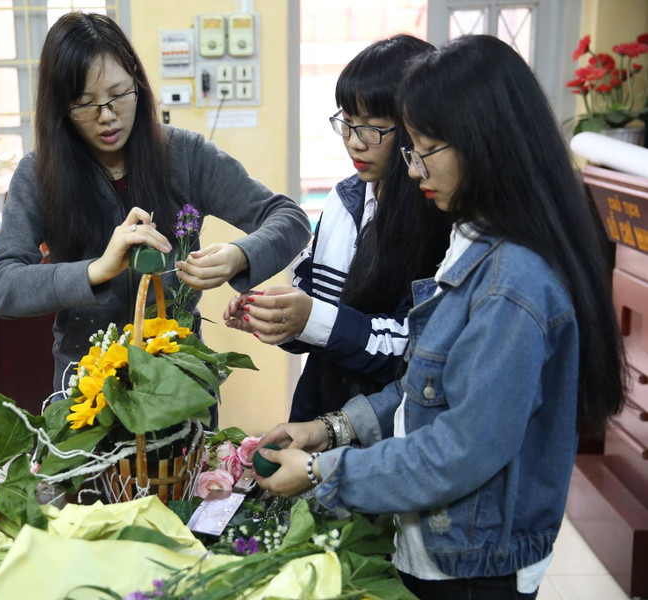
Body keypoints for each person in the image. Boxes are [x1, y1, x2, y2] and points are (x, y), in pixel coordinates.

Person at [253, 35, 627, 600]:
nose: (413, 168)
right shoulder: (471, 241)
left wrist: (322, 474)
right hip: (437, 543)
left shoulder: (512, 283)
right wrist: (330, 430)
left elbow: (460, 449)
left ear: (484, 147)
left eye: (424, 149)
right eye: (411, 149)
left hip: (473, 565)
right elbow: (425, 388)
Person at [0, 12, 311, 393]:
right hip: (85, 390)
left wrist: (240, 255)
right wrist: (97, 269)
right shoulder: (39, 173)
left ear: (138, 84)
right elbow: (1, 285)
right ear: (62, 109)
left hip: (179, 383)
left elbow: (290, 218)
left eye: (119, 94)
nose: (107, 117)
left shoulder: (185, 154)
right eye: (86, 104)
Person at [224, 35, 450, 422]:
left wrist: (311, 318)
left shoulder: (435, 217)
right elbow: (312, 303)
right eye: (347, 121)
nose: (354, 143)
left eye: (373, 128)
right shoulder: (344, 198)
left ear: (415, 128)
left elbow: (412, 350)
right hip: (322, 405)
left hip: (386, 424)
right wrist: (276, 316)